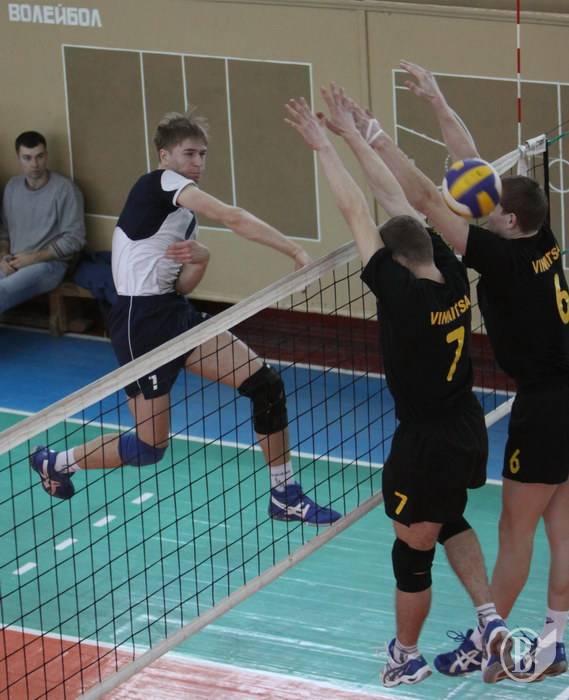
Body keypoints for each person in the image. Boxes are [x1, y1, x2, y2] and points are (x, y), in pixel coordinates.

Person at [285, 86, 512, 687]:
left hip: (425, 441)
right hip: (465, 427)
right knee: (450, 517)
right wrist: (353, 135)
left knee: (412, 554)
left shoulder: (403, 295)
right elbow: (391, 200)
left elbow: (357, 213)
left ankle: (405, 656)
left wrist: (321, 146)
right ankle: (489, 621)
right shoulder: (452, 271)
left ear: (394, 258)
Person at [361, 60, 569, 681]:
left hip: (546, 405)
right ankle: (556, 637)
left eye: (490, 207)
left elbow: (426, 198)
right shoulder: (542, 238)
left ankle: (488, 642)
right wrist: (436, 100)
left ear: (508, 221)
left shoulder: (501, 260)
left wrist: (376, 137)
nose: (480, 206)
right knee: (563, 526)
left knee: (516, 529)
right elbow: (472, 163)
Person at [29, 111, 340, 527]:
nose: (198, 162)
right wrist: (295, 251)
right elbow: (232, 216)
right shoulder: (158, 184)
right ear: (165, 156)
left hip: (173, 313)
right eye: (189, 153)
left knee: (266, 385)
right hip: (140, 323)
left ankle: (284, 494)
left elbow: (183, 285)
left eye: (203, 154)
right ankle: (57, 462)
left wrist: (202, 259)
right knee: (148, 448)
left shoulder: (184, 216)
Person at [0, 131, 85, 312]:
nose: (35, 164)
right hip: (13, 261)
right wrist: (3, 256)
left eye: (39, 156)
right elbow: (5, 232)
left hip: (49, 265)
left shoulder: (65, 189)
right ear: (18, 158)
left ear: (46, 155)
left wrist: (32, 258)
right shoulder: (12, 187)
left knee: (2, 291)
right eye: (27, 158)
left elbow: (75, 239)